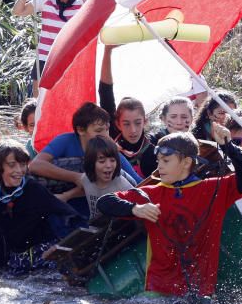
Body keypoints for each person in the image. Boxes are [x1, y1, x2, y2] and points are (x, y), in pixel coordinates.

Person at [95, 127, 242, 299]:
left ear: (187, 162)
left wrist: (227, 146)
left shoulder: (213, 190)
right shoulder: (150, 193)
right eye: (158, 161)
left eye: (166, 161)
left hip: (200, 291)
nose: (159, 167)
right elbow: (104, 202)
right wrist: (135, 209)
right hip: (159, 290)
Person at [0, 140, 82, 271]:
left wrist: (62, 245)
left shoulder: (33, 189)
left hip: (41, 253)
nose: (19, 170)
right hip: (13, 256)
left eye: (22, 165)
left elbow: (70, 216)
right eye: (12, 165)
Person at [29, 102, 139, 206]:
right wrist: (77, 177)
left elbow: (139, 184)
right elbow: (35, 165)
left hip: (95, 211)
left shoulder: (111, 153)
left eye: (107, 129)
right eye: (99, 130)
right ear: (81, 130)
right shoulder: (65, 141)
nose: (105, 135)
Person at [12, 0, 88, 94]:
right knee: (37, 105)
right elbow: (17, 11)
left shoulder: (81, 4)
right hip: (44, 59)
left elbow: (96, 15)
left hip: (68, 60)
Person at [97, 46, 157, 177]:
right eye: (126, 124)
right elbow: (105, 92)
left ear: (145, 122)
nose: (133, 130)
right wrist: (108, 51)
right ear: (117, 124)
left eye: (137, 123)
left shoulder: (154, 151)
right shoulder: (112, 135)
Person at [79, 135, 136, 219]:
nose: (109, 165)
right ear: (91, 163)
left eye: (113, 160)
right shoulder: (85, 179)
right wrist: (67, 195)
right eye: (102, 161)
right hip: (95, 226)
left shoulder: (122, 186)